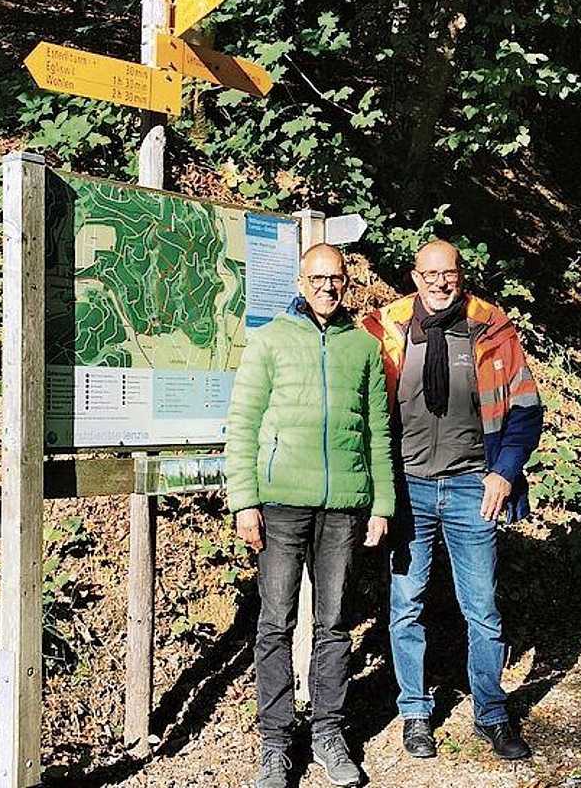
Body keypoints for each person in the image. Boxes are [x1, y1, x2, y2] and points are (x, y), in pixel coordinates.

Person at [362, 239, 542, 761]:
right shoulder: (386, 330)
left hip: (472, 487)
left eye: (451, 273)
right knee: (405, 606)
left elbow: (526, 409)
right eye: (431, 273)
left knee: (482, 609)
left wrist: (504, 473)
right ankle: (415, 713)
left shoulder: (491, 328)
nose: (442, 282)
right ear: (415, 277)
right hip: (407, 488)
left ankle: (491, 713)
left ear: (461, 275)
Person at [226, 243, 395, 788]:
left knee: (334, 624)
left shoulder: (364, 349)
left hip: (344, 505)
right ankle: (275, 743)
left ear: (348, 284)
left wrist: (382, 505)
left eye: (336, 279)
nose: (327, 287)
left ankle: (328, 732)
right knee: (275, 622)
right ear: (300, 282)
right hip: (279, 503)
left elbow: (378, 434)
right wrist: (243, 500)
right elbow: (243, 424)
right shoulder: (270, 340)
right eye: (317, 278)